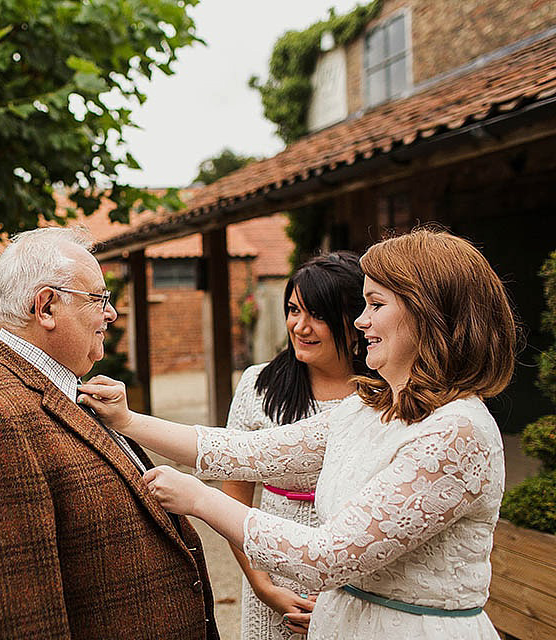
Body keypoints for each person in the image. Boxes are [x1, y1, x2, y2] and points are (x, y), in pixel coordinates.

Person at [79, 228, 516, 640]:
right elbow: (247, 452)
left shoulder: (458, 432)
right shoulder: (371, 408)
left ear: (428, 315)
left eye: (375, 305)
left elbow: (327, 558)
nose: (361, 322)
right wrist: (128, 420)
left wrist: (197, 499)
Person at [0, 227, 219, 640]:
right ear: (46, 307)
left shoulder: (57, 387)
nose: (111, 314)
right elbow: (12, 622)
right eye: (99, 299)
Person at [223, 252, 368, 640]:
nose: (300, 327)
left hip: (355, 585)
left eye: (317, 315)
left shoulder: (381, 397)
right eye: (293, 310)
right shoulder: (258, 386)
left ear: (357, 322)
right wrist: (263, 586)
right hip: (271, 578)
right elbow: (234, 497)